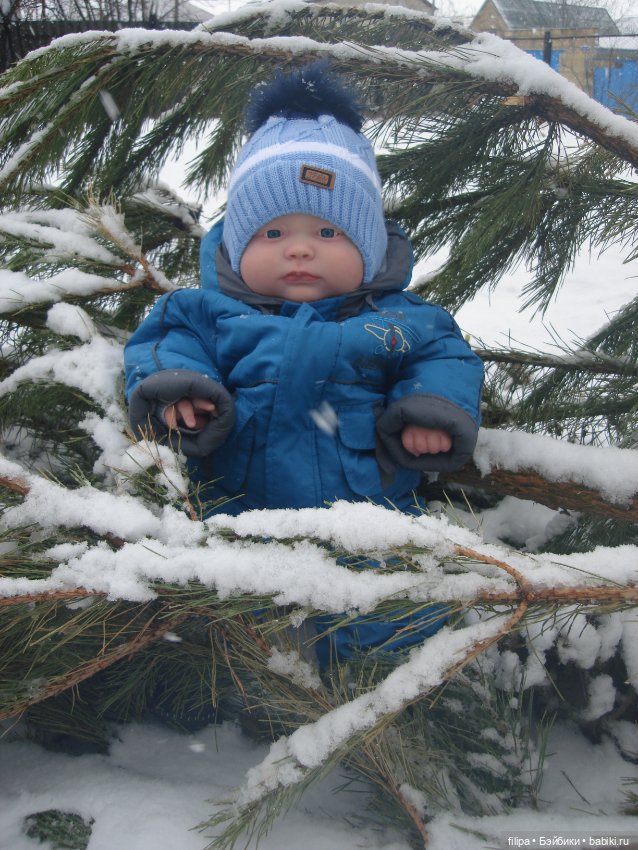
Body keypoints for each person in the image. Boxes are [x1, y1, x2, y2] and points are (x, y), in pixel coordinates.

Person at [124, 63, 484, 662]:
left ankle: (389, 694)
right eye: (271, 234)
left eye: (326, 231)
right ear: (238, 244)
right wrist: (180, 390)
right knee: (227, 638)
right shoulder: (208, 311)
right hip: (236, 516)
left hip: (368, 518)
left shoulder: (399, 319)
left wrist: (427, 409)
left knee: (390, 621)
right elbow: (163, 344)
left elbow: (445, 356)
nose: (298, 249)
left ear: (368, 247)